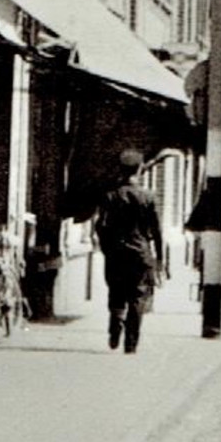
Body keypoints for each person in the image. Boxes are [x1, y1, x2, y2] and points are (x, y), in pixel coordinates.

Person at [92, 149, 163, 354]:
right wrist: (160, 258)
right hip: (140, 253)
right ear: (140, 169)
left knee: (116, 291)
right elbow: (157, 231)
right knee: (138, 296)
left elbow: (100, 226)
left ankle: (115, 325)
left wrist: (107, 248)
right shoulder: (148, 197)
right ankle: (130, 344)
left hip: (116, 253)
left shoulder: (110, 195)